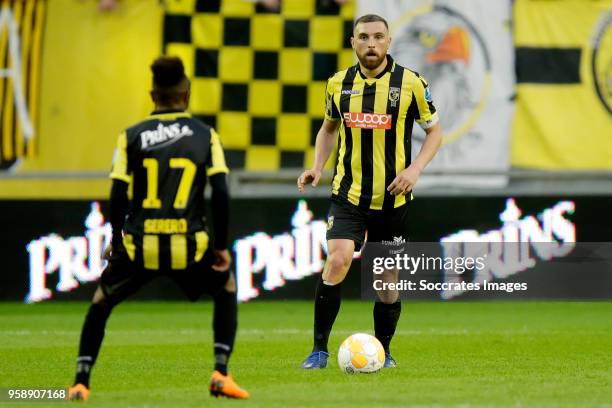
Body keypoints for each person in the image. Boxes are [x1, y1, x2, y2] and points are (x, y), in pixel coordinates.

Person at [68, 56, 249, 400]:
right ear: (186, 96)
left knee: (101, 300)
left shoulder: (131, 136)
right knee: (226, 285)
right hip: (190, 245)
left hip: (140, 244)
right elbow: (222, 192)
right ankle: (221, 373)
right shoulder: (205, 135)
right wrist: (221, 246)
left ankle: (81, 380)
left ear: (153, 95)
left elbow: (117, 192)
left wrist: (115, 239)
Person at [297, 14, 442, 369]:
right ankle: (318, 350)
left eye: (378, 37)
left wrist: (415, 169)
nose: (371, 44)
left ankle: (384, 350)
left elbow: (435, 132)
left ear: (389, 42)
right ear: (353, 42)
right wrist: (317, 165)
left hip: (393, 200)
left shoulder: (410, 83)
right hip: (347, 194)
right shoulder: (337, 84)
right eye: (364, 37)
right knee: (337, 260)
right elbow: (328, 129)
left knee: (385, 279)